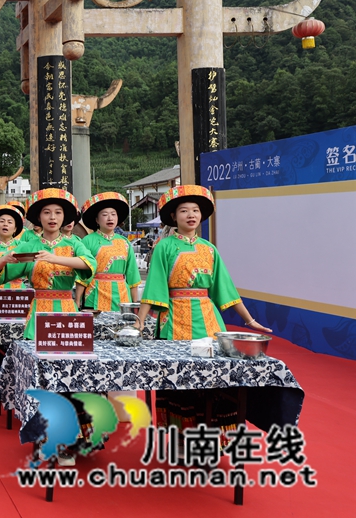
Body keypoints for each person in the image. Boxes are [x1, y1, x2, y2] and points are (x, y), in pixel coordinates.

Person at [138, 185, 271, 433]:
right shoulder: (164, 247)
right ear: (173, 217)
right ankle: (181, 438)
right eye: (184, 210)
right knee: (179, 381)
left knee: (214, 381)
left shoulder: (210, 249)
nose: (191, 214)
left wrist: (250, 321)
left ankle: (213, 437)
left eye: (196, 210)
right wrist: (140, 321)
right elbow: (154, 287)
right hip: (175, 320)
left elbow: (226, 290)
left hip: (209, 319)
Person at [0, 190, 96, 340]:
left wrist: (54, 258)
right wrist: (2, 260)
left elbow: (90, 263)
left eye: (58, 212)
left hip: (66, 309)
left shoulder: (74, 244)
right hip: (39, 310)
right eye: (47, 212)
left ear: (64, 217)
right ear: (39, 217)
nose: (52, 217)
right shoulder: (29, 246)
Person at [76, 193, 141, 311]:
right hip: (95, 295)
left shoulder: (125, 242)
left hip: (122, 296)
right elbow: (82, 275)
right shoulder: (88, 241)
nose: (110, 218)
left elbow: (133, 275)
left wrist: (135, 304)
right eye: (105, 215)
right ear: (96, 219)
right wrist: (77, 300)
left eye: (113, 214)